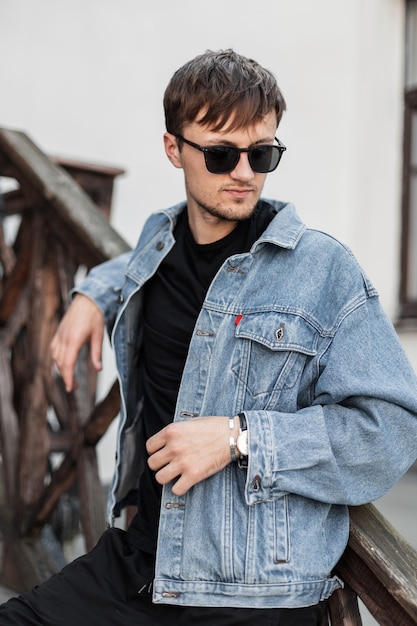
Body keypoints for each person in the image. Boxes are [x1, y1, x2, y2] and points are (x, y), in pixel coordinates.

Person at [1, 48, 417, 626]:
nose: (245, 173)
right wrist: (90, 296)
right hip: (139, 564)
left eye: (263, 153)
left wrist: (239, 438)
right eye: (221, 154)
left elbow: (392, 432)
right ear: (174, 149)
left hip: (248, 596)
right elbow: (130, 266)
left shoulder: (324, 272)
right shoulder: (160, 236)